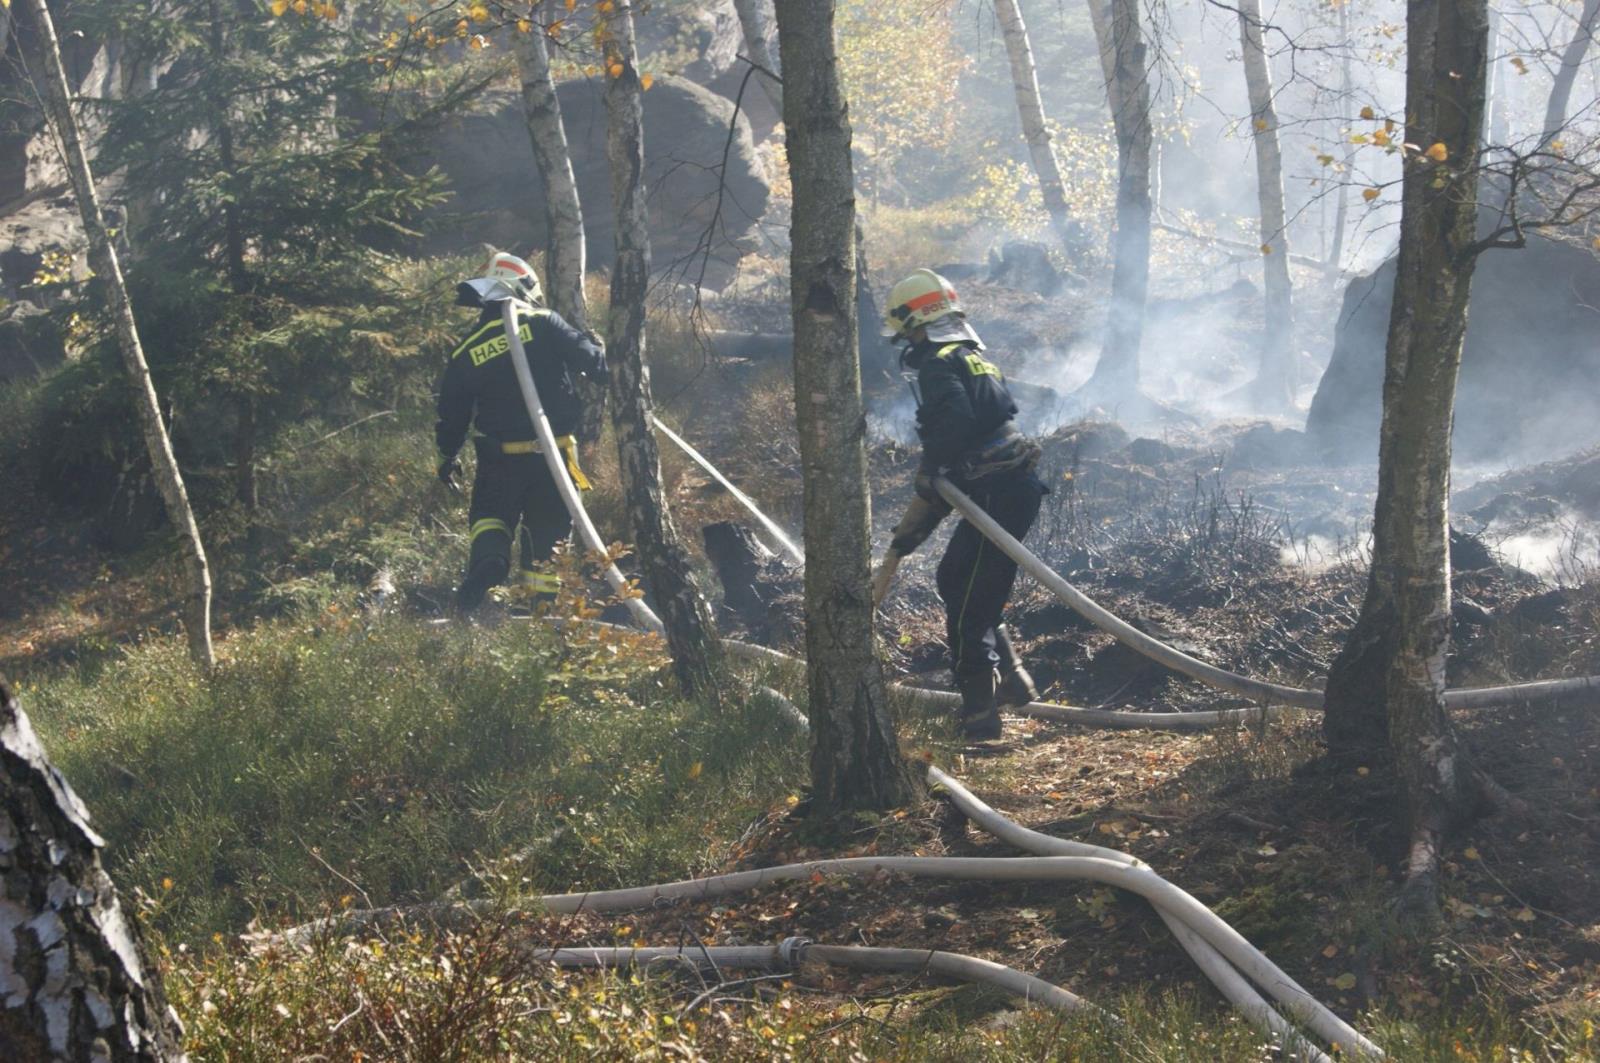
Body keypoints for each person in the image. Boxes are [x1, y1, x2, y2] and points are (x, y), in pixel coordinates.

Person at [872, 268, 1046, 740]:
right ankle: (1011, 679)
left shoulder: (937, 364)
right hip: (1008, 488)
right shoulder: (972, 357)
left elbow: (954, 422)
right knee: (956, 579)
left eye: (907, 333)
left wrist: (931, 468)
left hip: (998, 492)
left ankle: (979, 715)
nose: (907, 343)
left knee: (969, 598)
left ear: (917, 324)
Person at [435, 251, 607, 613]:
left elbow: (452, 413)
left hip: (499, 458)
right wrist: (597, 349)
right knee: (547, 535)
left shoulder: (467, 349)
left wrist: (447, 455)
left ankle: (490, 559)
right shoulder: (544, 321)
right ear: (523, 287)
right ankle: (540, 612)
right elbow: (592, 363)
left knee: (490, 517)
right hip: (554, 457)